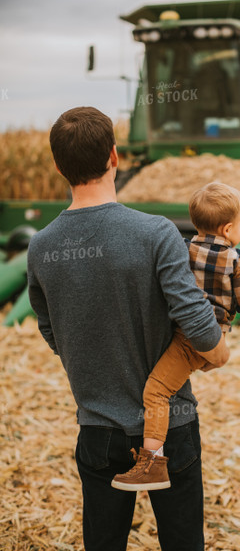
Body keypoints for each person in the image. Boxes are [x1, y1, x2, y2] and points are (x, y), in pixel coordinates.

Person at [27, 106, 229, 551]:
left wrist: (94, 358)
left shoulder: (41, 247)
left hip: (98, 428)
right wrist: (218, 353)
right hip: (172, 428)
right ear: (114, 156)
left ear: (60, 167)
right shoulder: (156, 233)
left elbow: (51, 331)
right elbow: (195, 319)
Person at [111, 182, 240, 492]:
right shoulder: (236, 259)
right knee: (163, 387)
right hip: (208, 336)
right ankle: (152, 465)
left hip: (187, 337)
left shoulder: (182, 248)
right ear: (230, 228)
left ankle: (152, 462)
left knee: (156, 391)